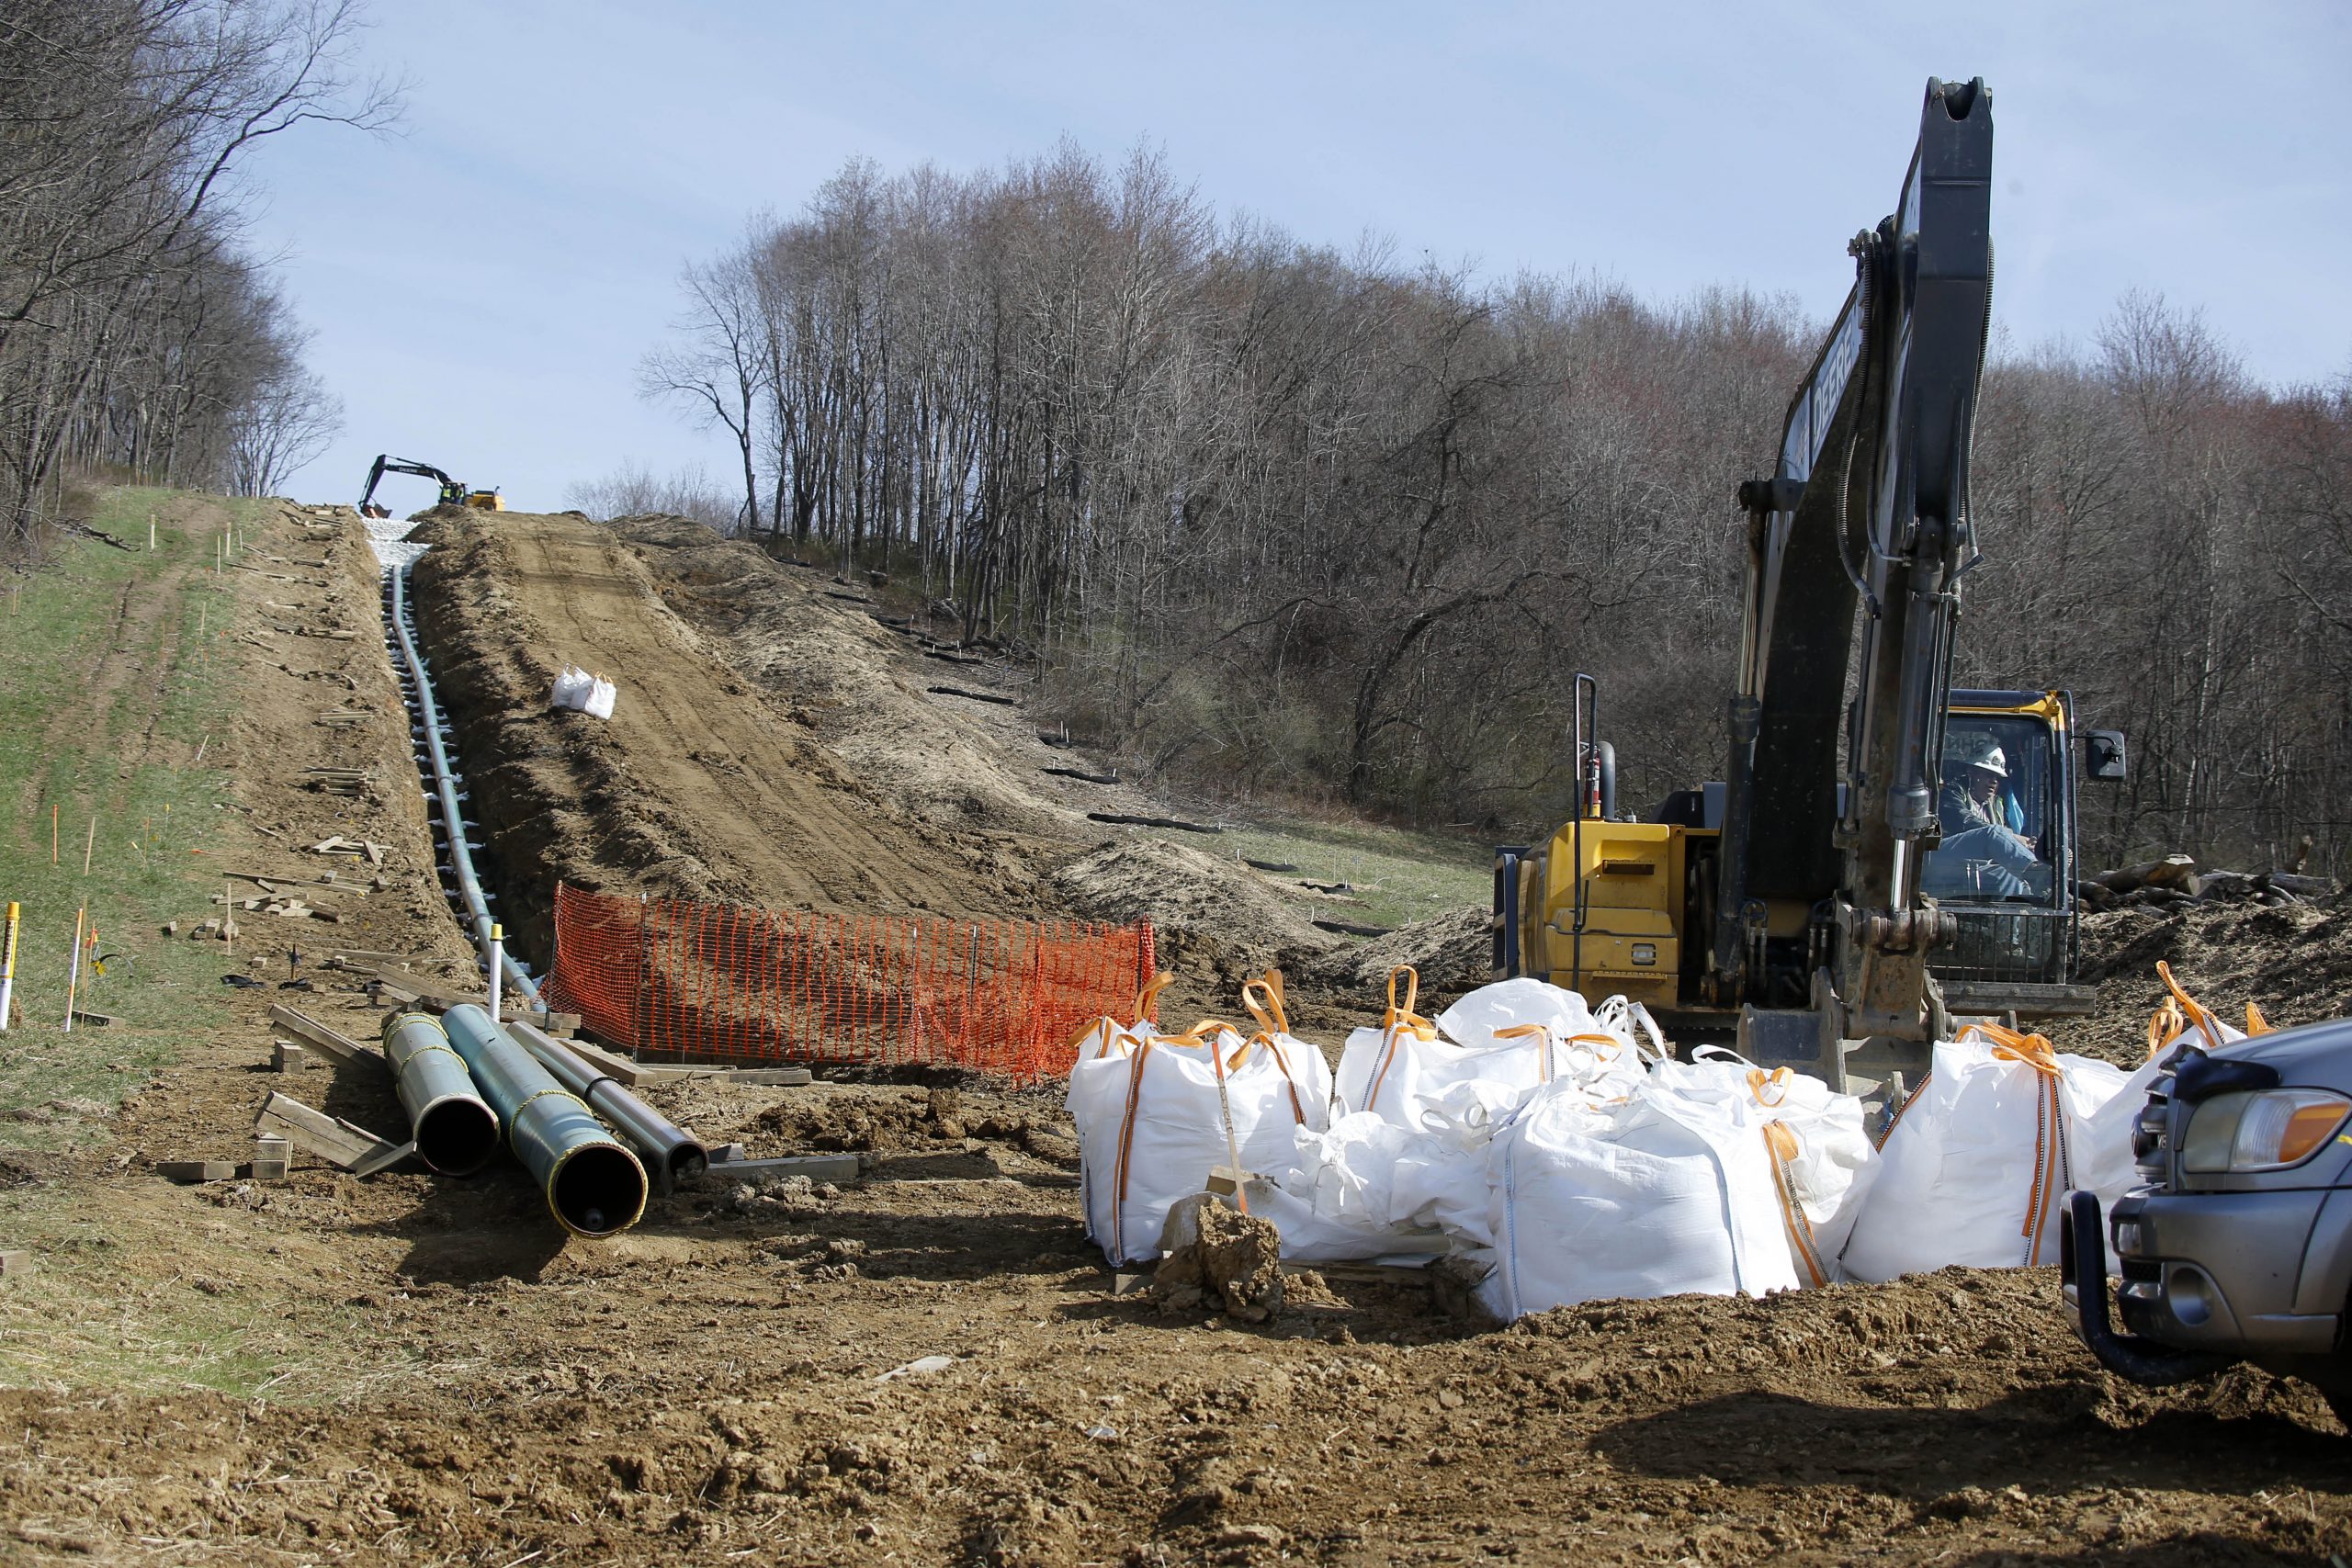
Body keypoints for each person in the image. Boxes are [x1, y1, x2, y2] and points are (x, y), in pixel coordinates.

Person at [1933, 733, 2042, 897]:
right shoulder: (1951, 792)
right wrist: (2015, 838)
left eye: (1997, 778)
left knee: (2011, 878)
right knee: (1993, 833)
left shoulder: (1996, 806)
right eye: (1988, 775)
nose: (1994, 782)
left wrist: (2026, 846)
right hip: (1940, 857)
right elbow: (1964, 822)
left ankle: (2016, 917)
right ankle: (2036, 873)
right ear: (1971, 771)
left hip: (1977, 868)